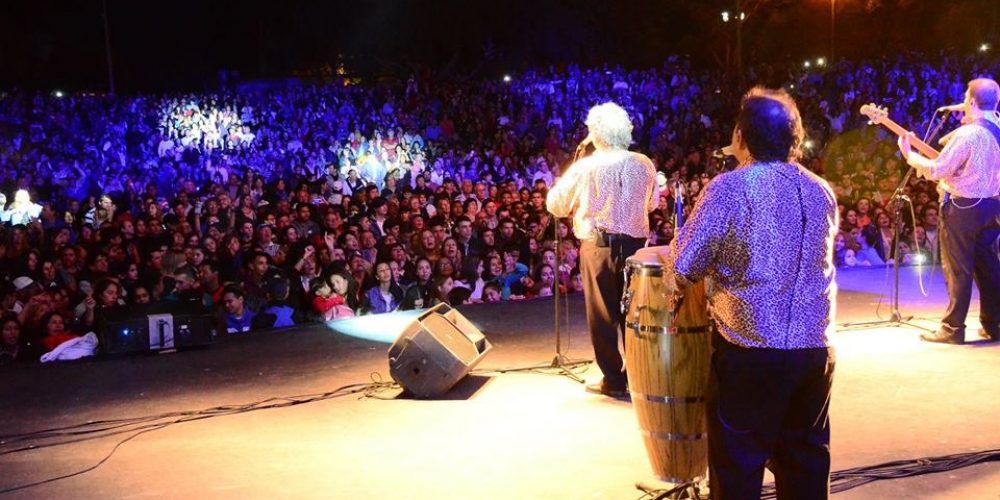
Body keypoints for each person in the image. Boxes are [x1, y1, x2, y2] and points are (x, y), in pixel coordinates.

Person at [665, 87, 837, 498]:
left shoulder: (730, 188)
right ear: (795, 137)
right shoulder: (821, 190)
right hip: (815, 354)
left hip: (750, 353)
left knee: (738, 468)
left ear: (741, 137)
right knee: (806, 466)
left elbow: (684, 266)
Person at [546, 101, 657, 398]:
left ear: (597, 132)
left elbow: (556, 205)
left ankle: (613, 379)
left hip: (599, 247)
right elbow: (653, 203)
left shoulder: (586, 166)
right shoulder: (644, 163)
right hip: (636, 249)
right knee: (632, 313)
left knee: (602, 314)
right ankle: (637, 374)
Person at [897, 77, 1000, 344]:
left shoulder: (969, 134)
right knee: (988, 266)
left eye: (966, 97)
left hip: (963, 208)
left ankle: (952, 329)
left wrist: (909, 154)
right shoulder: (997, 126)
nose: (964, 102)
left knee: (959, 269)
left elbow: (937, 169)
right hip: (992, 206)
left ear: (973, 102)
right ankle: (994, 323)